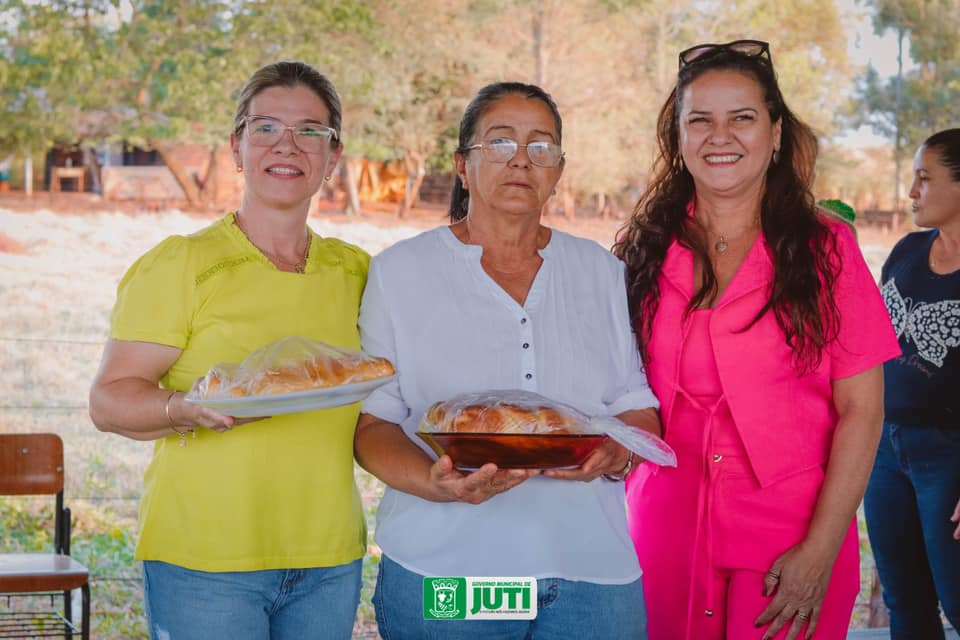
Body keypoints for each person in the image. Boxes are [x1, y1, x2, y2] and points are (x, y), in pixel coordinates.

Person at [613, 40, 901, 640]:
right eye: (701, 120)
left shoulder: (828, 248)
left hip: (792, 533)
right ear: (680, 138)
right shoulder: (644, 248)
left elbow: (863, 413)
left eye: (742, 118)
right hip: (664, 526)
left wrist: (819, 553)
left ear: (775, 134)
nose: (721, 136)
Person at [355, 82, 661, 639]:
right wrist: (434, 481)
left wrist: (617, 450)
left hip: (590, 575)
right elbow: (373, 425)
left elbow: (635, 404)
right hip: (449, 575)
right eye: (500, 143)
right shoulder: (401, 272)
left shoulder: (600, 272)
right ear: (462, 166)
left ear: (559, 170)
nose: (521, 159)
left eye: (540, 146)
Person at [89, 61, 368, 640]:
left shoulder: (359, 273)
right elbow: (110, 401)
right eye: (265, 127)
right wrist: (182, 409)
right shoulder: (181, 264)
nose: (286, 145)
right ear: (237, 147)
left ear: (333, 157)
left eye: (310, 131)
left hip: (328, 556)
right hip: (204, 559)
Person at [864, 128, 960, 639]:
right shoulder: (906, 251)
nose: (912, 192)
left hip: (950, 457)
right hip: (886, 449)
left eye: (925, 179)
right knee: (907, 605)